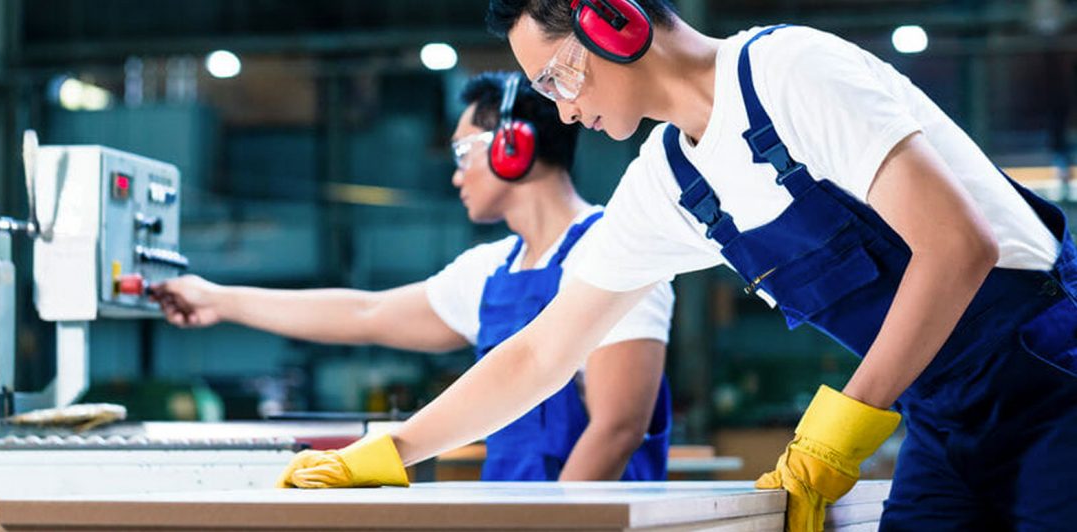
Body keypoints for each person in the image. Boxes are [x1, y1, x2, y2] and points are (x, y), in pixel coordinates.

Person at [275, 2, 1077, 531]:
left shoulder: (789, 72)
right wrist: (392, 449)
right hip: (942, 415)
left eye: (555, 77)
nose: (559, 110)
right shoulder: (673, 182)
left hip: (1054, 379)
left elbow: (956, 249)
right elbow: (542, 351)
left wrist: (835, 438)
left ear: (616, 25)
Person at [152, 71, 675, 483]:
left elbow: (617, 427)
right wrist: (220, 299)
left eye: (462, 153)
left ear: (512, 145)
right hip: (518, 511)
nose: (454, 175)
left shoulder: (616, 254)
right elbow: (366, 312)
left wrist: (557, 522)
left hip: (594, 520)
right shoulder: (492, 270)